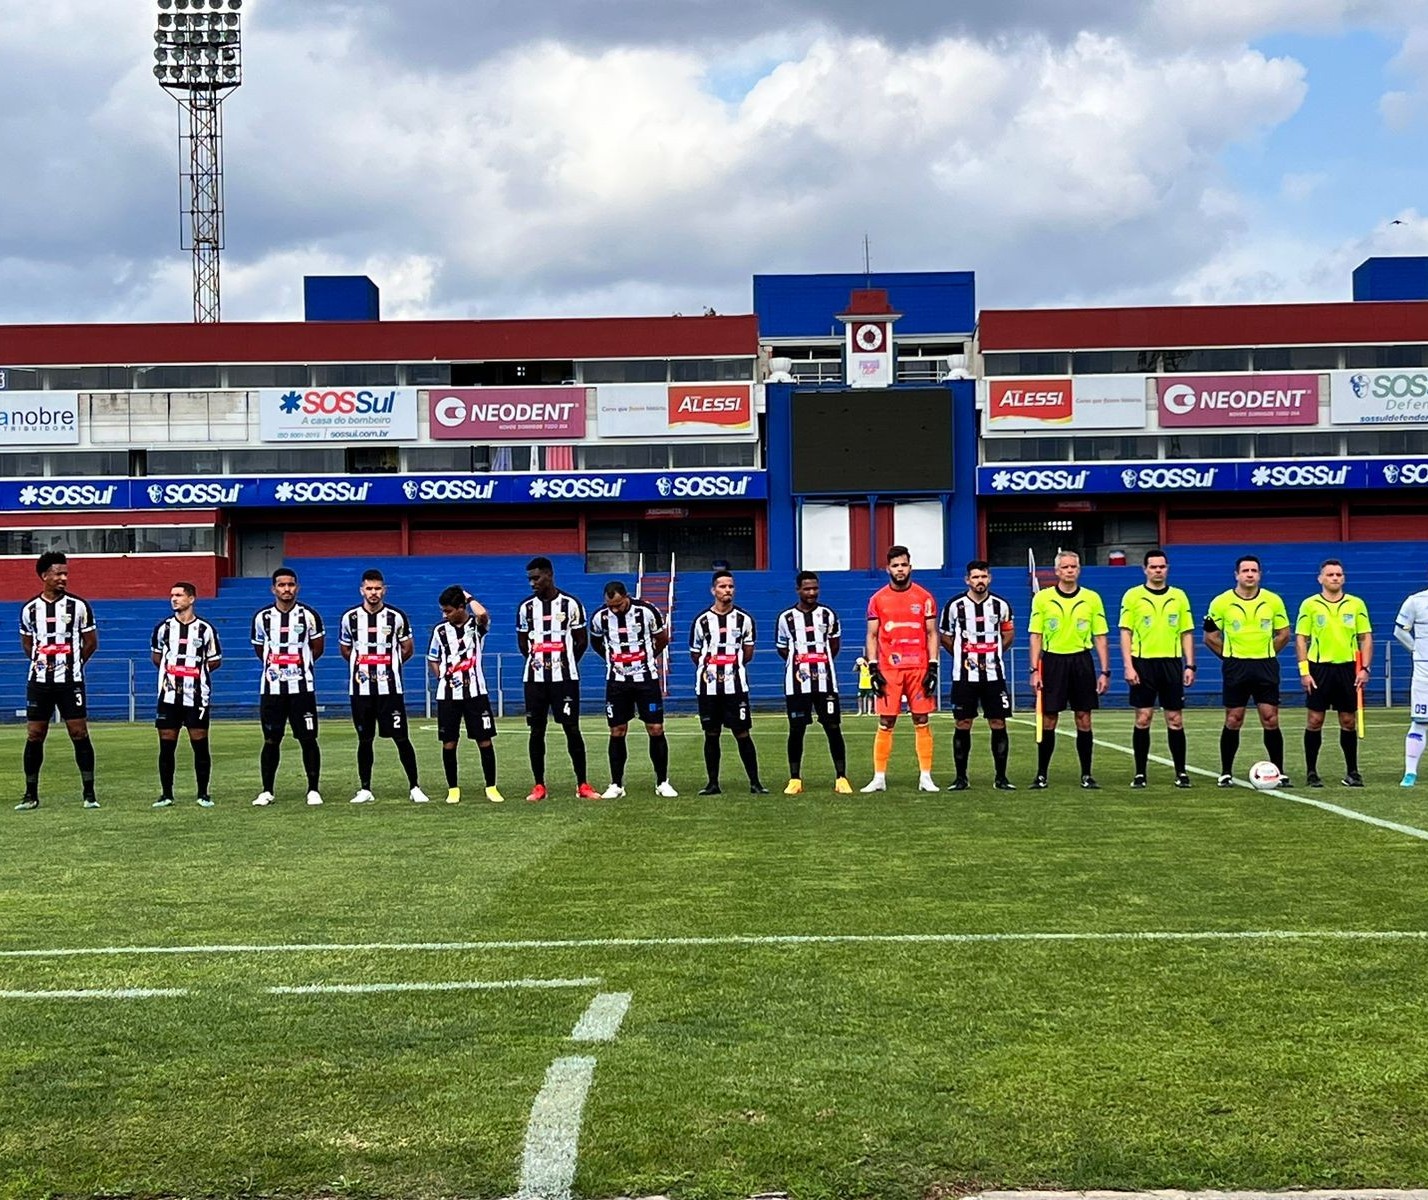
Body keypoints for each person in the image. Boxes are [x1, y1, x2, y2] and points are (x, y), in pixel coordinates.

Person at [339, 569, 429, 805]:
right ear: (362, 590)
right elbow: (346, 650)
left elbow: (407, 648)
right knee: (364, 739)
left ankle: (415, 787)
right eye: (369, 588)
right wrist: (362, 670)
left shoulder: (396, 617)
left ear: (384, 590)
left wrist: (391, 667)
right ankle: (365, 788)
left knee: (401, 738)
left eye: (377, 588)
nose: (373, 593)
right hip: (361, 690)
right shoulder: (350, 618)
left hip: (390, 689)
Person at [16, 551, 98, 811]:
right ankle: (30, 795)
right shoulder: (30, 609)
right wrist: (42, 663)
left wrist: (74, 664)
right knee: (35, 734)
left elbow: (91, 643)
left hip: (70, 681)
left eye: (65, 573)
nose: (64, 578)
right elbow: (28, 644)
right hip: (39, 682)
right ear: (44, 576)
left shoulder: (79, 606)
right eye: (58, 573)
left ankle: (89, 794)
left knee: (79, 732)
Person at [1203, 554, 1291, 787]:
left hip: (1265, 665)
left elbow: (1283, 634)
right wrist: (1230, 656)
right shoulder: (1220, 602)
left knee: (1270, 718)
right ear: (1237, 575)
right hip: (1236, 666)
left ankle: (1279, 772)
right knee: (1234, 719)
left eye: (1254, 571)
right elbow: (1210, 637)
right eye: (1245, 571)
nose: (1250, 574)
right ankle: (1225, 772)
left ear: (1259, 574)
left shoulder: (1273, 601)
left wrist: (1266, 653)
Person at [517, 556, 598, 802]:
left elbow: (581, 641)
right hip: (535, 679)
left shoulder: (571, 604)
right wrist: (540, 661)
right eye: (530, 579)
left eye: (537, 578)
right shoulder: (526, 608)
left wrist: (565, 663)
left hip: (564, 678)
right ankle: (539, 785)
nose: (533, 583)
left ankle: (582, 784)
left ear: (549, 575)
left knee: (571, 728)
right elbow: (523, 644)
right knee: (536, 731)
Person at [1028, 549, 1110, 789]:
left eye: (1073, 566)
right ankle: (1041, 774)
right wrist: (1034, 670)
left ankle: (1086, 774)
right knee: (1049, 719)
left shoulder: (1092, 598)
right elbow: (1036, 635)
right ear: (1056, 571)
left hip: (1081, 662)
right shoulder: (1042, 599)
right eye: (1065, 567)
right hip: (1053, 662)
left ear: (1079, 570)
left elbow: (1100, 636)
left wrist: (1105, 671)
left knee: (1084, 719)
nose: (1069, 570)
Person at [861, 545, 939, 793]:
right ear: (888, 569)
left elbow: (931, 633)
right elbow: (872, 635)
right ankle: (879, 777)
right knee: (885, 720)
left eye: (904, 565)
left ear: (910, 567)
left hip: (918, 667)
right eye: (895, 565)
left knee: (921, 719)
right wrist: (873, 667)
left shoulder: (924, 597)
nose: (900, 569)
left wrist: (933, 666)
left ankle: (926, 776)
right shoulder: (877, 599)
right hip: (889, 669)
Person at [589, 580, 677, 798]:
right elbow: (596, 643)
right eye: (611, 606)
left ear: (626, 596)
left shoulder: (647, 611)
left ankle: (662, 782)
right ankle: (616, 784)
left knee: (655, 728)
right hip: (617, 682)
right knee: (617, 730)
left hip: (646, 679)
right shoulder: (599, 617)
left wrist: (645, 659)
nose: (615, 609)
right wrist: (615, 662)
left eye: (618, 604)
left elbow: (662, 638)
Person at [1118, 549, 1195, 789]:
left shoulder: (1179, 597)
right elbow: (1125, 632)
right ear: (1145, 569)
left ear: (1167, 568)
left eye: (1162, 566)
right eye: (1153, 567)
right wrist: (1128, 666)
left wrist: (1189, 664)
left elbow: (1186, 633)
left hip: (1171, 663)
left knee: (1175, 719)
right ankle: (1140, 773)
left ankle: (1181, 772)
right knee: (1143, 718)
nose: (1158, 570)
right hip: (1143, 663)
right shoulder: (1133, 596)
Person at [251, 566, 325, 807]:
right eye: (282, 585)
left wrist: (299, 667)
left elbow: (318, 648)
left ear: (297, 587)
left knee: (308, 739)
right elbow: (260, 649)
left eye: (290, 585)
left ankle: (313, 790)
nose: (286, 589)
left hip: (302, 688)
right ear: (274, 588)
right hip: (272, 690)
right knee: (271, 739)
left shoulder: (309, 615)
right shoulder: (262, 618)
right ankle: (267, 790)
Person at [939, 559, 1015, 791]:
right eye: (975, 577)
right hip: (964, 676)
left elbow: (1008, 634)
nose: (979, 581)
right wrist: (963, 656)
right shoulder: (955, 605)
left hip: (994, 674)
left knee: (998, 722)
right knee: (963, 722)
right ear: (967, 580)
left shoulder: (1001, 605)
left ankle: (1001, 777)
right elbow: (945, 636)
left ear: (989, 578)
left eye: (983, 577)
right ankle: (961, 778)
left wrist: (995, 654)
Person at [689, 569, 767, 795]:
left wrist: (732, 668)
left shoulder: (744, 619)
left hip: (736, 687)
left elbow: (748, 652)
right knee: (711, 733)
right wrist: (711, 670)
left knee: (742, 733)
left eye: (730, 586)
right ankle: (712, 783)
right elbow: (696, 654)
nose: (727, 590)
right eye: (722, 586)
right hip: (708, 687)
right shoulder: (702, 621)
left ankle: (755, 782)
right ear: (713, 590)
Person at [1296, 559, 1372, 788]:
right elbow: (1301, 638)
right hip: (1319, 668)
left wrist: (1365, 668)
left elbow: (1365, 637)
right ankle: (1311, 772)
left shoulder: (1356, 604)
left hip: (1348, 668)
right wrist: (1304, 671)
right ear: (1320, 578)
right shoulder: (1310, 605)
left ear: (1344, 578)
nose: (1335, 578)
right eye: (1330, 575)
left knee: (1348, 721)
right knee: (1315, 720)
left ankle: (1353, 772)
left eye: (1339, 574)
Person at [775, 570, 851, 794]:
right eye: (807, 589)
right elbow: (782, 648)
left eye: (815, 588)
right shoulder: (786, 618)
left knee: (833, 727)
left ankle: (841, 777)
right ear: (798, 590)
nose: (811, 593)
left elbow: (834, 646)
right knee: (796, 729)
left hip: (826, 682)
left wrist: (820, 664)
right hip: (797, 683)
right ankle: (795, 779)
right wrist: (801, 665)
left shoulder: (828, 615)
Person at [151, 582, 222, 808]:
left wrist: (194, 674)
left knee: (200, 744)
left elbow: (215, 660)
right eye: (172, 595)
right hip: (169, 696)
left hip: (197, 696)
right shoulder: (163, 628)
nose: (174, 599)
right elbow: (157, 657)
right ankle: (166, 794)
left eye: (179, 595)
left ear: (191, 599)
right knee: (166, 745)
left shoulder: (205, 629)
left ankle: (203, 794)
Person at [430, 585, 503, 804]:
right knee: (449, 743)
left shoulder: (475, 626)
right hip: (448, 696)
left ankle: (491, 787)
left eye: (449, 610)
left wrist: (468, 595)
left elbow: (481, 613)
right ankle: (453, 788)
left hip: (476, 694)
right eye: (443, 611)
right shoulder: (440, 631)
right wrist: (442, 676)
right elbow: (433, 658)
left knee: (484, 741)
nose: (445, 615)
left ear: (461, 607)